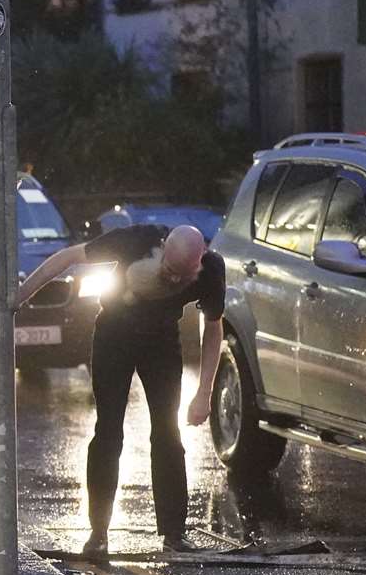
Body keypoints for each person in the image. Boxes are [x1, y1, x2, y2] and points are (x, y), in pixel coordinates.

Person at [16, 223, 224, 556]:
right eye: (168, 270)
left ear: (199, 262)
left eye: (182, 276)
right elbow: (69, 257)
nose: (173, 280)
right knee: (109, 431)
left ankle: (174, 533)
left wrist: (204, 393)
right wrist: (19, 297)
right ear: (160, 248)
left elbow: (214, 330)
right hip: (115, 336)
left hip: (161, 343)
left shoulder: (211, 270)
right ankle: (98, 533)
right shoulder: (135, 240)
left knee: (168, 435)